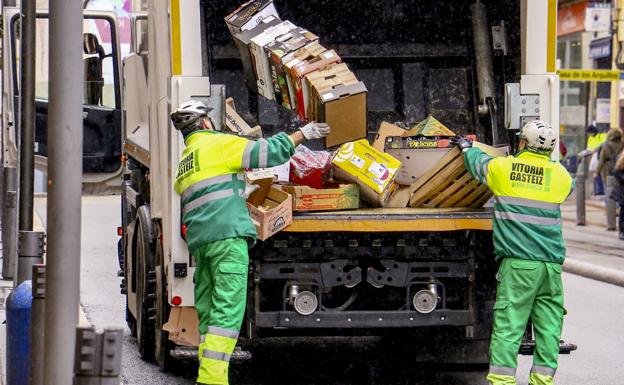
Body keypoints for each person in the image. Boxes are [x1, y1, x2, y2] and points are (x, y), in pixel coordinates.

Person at [171, 100, 330, 385]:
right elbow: (267, 152)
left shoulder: (185, 162)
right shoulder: (216, 144)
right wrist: (302, 134)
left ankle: (208, 375)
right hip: (228, 240)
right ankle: (212, 381)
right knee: (227, 312)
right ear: (205, 123)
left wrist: (239, 190)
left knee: (208, 312)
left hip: (201, 244)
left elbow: (207, 195)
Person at [451, 120, 574, 385]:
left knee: (510, 325)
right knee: (549, 327)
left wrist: (465, 147)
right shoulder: (560, 175)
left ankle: (502, 382)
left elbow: (479, 164)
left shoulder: (505, 169)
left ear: (521, 143)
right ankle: (542, 381)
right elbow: (568, 187)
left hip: (519, 265)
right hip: (550, 267)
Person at [595, 127, 623, 191]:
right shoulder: (622, 144)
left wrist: (597, 171)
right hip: (619, 167)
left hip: (607, 168)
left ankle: (608, 200)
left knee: (608, 187)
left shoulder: (606, 145)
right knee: (619, 187)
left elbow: (601, 159)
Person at [613, 149, 624, 240]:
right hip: (622, 191)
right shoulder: (621, 163)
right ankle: (622, 231)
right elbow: (617, 173)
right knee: (623, 212)